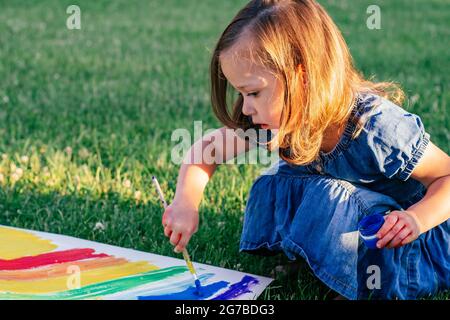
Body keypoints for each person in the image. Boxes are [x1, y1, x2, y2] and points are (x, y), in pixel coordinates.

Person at [162, 0, 450, 299]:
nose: (246, 107)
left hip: (410, 245)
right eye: (241, 94)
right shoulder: (280, 121)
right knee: (283, 180)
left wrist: (416, 219)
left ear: (302, 78)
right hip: (360, 224)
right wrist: (185, 202)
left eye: (254, 93)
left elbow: (446, 178)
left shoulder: (378, 129)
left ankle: (362, 277)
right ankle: (317, 260)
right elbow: (209, 148)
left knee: (328, 197)